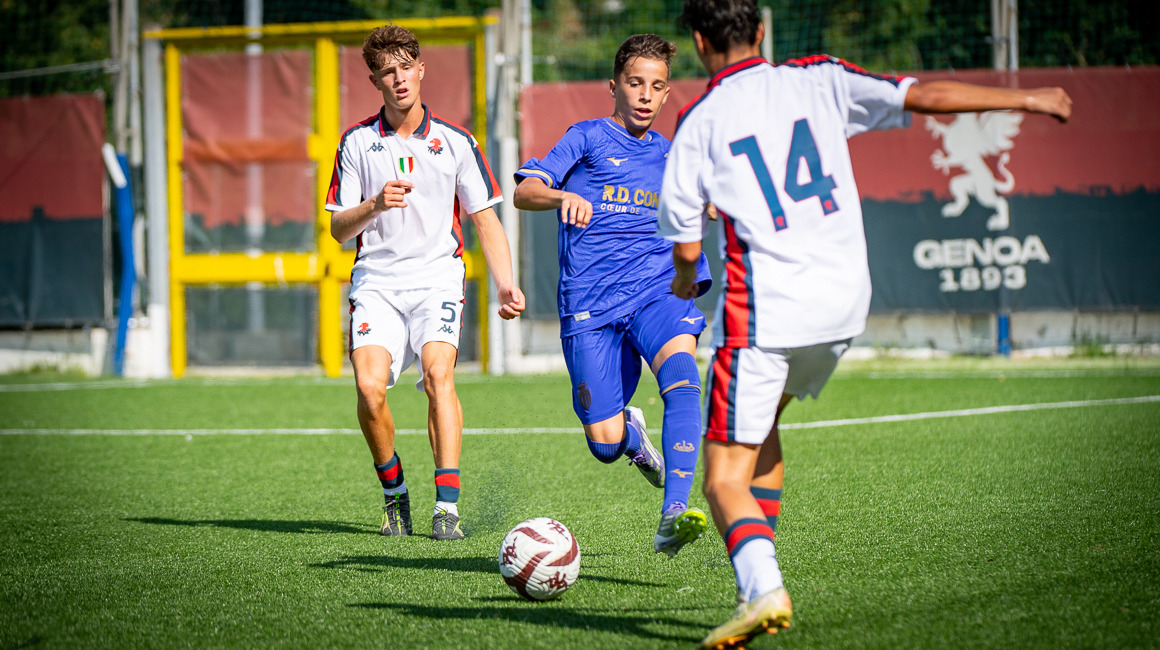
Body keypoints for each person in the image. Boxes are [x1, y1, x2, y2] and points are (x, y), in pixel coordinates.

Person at [657, 1, 1073, 647]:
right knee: (761, 433)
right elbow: (923, 94)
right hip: (845, 303)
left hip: (767, 313)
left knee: (720, 477)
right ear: (761, 31)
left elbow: (686, 246)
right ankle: (754, 583)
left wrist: (686, 279)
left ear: (698, 39)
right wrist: (1028, 97)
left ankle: (763, 589)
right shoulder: (818, 76)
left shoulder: (700, 121)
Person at [512, 34, 714, 558]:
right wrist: (563, 194)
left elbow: (701, 205)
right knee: (603, 442)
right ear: (614, 86)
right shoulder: (584, 138)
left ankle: (674, 511)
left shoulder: (672, 157)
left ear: (667, 94)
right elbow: (524, 191)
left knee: (683, 378)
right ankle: (630, 435)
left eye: (657, 86)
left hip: (655, 288)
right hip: (589, 303)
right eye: (635, 83)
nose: (645, 95)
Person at [325, 24, 525, 541]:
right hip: (378, 281)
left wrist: (506, 283)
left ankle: (446, 509)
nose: (398, 79)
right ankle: (395, 493)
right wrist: (373, 205)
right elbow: (337, 229)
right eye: (386, 71)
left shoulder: (456, 142)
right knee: (370, 390)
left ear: (420, 70)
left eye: (405, 67)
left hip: (438, 277)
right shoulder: (356, 143)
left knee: (439, 375)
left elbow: (485, 219)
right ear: (375, 79)